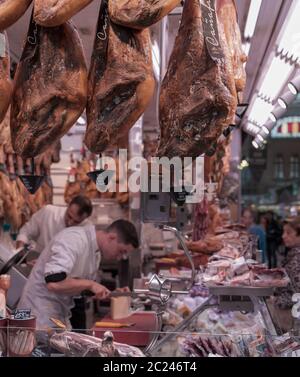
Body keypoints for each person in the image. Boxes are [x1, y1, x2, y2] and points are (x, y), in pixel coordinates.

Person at [17, 220, 139, 330]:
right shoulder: (74, 239)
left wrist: (110, 293)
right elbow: (54, 282)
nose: (119, 257)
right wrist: (90, 284)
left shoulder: (95, 252)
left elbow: (79, 287)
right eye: (121, 251)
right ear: (112, 237)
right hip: (37, 318)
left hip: (57, 317)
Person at [16, 195, 93, 253]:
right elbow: (25, 232)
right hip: (37, 264)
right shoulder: (49, 212)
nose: (70, 222)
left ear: (84, 219)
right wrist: (19, 252)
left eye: (76, 222)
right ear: (68, 206)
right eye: (69, 216)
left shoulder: (87, 229)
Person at [270, 217, 300, 333]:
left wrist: (278, 300)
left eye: (288, 233)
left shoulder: (297, 259)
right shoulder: (294, 255)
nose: (283, 236)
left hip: (291, 318)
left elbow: (297, 293)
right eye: (283, 232)